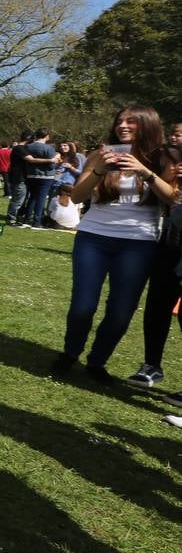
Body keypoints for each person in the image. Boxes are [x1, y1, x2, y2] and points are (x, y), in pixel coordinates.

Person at [52, 107, 174, 382]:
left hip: (138, 242)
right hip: (93, 237)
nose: (123, 125)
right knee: (82, 305)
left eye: (131, 121)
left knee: (121, 310)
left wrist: (144, 172)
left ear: (148, 125)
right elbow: (78, 196)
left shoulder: (160, 158)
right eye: (119, 121)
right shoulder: (101, 153)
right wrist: (99, 170)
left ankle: (97, 361)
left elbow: (171, 198)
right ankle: (70, 354)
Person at [124, 145, 182, 390]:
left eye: (172, 163)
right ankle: (152, 365)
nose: (167, 168)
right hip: (166, 252)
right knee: (156, 308)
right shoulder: (158, 188)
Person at [22, 129, 59, 229]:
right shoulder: (49, 148)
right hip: (45, 176)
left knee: (32, 197)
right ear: (46, 136)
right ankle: (37, 221)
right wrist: (55, 162)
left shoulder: (28, 147)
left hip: (31, 174)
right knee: (41, 199)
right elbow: (51, 165)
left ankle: (26, 219)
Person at [5, 131, 34, 225]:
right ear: (29, 138)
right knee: (18, 200)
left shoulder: (20, 148)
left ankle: (15, 218)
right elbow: (30, 159)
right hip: (19, 178)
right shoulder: (20, 148)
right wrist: (50, 160)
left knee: (18, 199)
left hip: (18, 177)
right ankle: (11, 219)